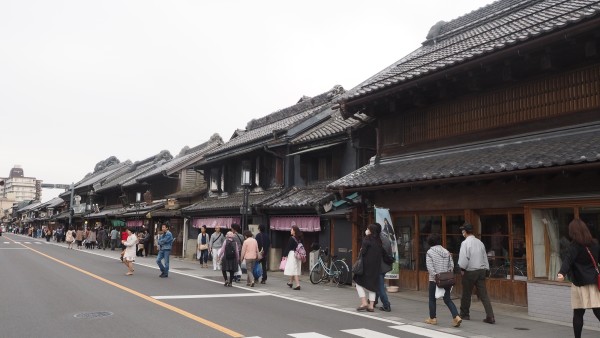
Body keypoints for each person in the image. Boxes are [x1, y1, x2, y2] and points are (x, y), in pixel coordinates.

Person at [557, 219, 600, 338]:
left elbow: (567, 261)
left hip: (579, 283)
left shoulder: (574, 246)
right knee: (597, 310)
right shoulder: (595, 244)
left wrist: (561, 273)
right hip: (594, 282)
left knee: (578, 313)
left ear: (573, 232)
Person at [458, 222, 495, 324]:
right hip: (481, 270)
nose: (462, 232)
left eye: (463, 230)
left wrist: (462, 269)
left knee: (466, 293)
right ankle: (490, 316)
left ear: (465, 232)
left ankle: (465, 314)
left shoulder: (465, 243)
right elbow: (484, 257)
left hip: (470, 271)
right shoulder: (480, 242)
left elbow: (463, 259)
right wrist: (487, 269)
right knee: (484, 295)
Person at [425, 233, 462, 327]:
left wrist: (436, 276)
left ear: (430, 242)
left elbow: (430, 267)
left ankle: (432, 318)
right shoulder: (446, 251)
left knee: (432, 299)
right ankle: (456, 317)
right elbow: (451, 266)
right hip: (446, 279)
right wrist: (447, 274)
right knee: (447, 299)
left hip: (434, 279)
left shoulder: (430, 252)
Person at [354, 223, 383, 312]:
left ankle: (364, 302)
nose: (367, 230)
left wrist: (361, 250)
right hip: (376, 267)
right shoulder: (379, 241)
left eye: (368, 229)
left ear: (371, 231)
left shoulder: (367, 239)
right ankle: (371, 306)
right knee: (372, 286)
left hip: (366, 266)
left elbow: (363, 252)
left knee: (358, 283)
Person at [374, 222, 393, 312]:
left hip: (378, 266)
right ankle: (373, 301)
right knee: (378, 284)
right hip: (385, 265)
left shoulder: (374, 240)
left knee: (380, 286)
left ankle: (386, 304)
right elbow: (390, 253)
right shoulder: (386, 239)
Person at [284, 225, 303, 290]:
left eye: (291, 229)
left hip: (292, 255)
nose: (290, 231)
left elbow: (288, 247)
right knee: (294, 268)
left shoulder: (291, 238)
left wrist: (284, 255)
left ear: (294, 231)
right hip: (298, 255)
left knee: (294, 269)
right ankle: (290, 282)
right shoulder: (300, 238)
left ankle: (298, 285)